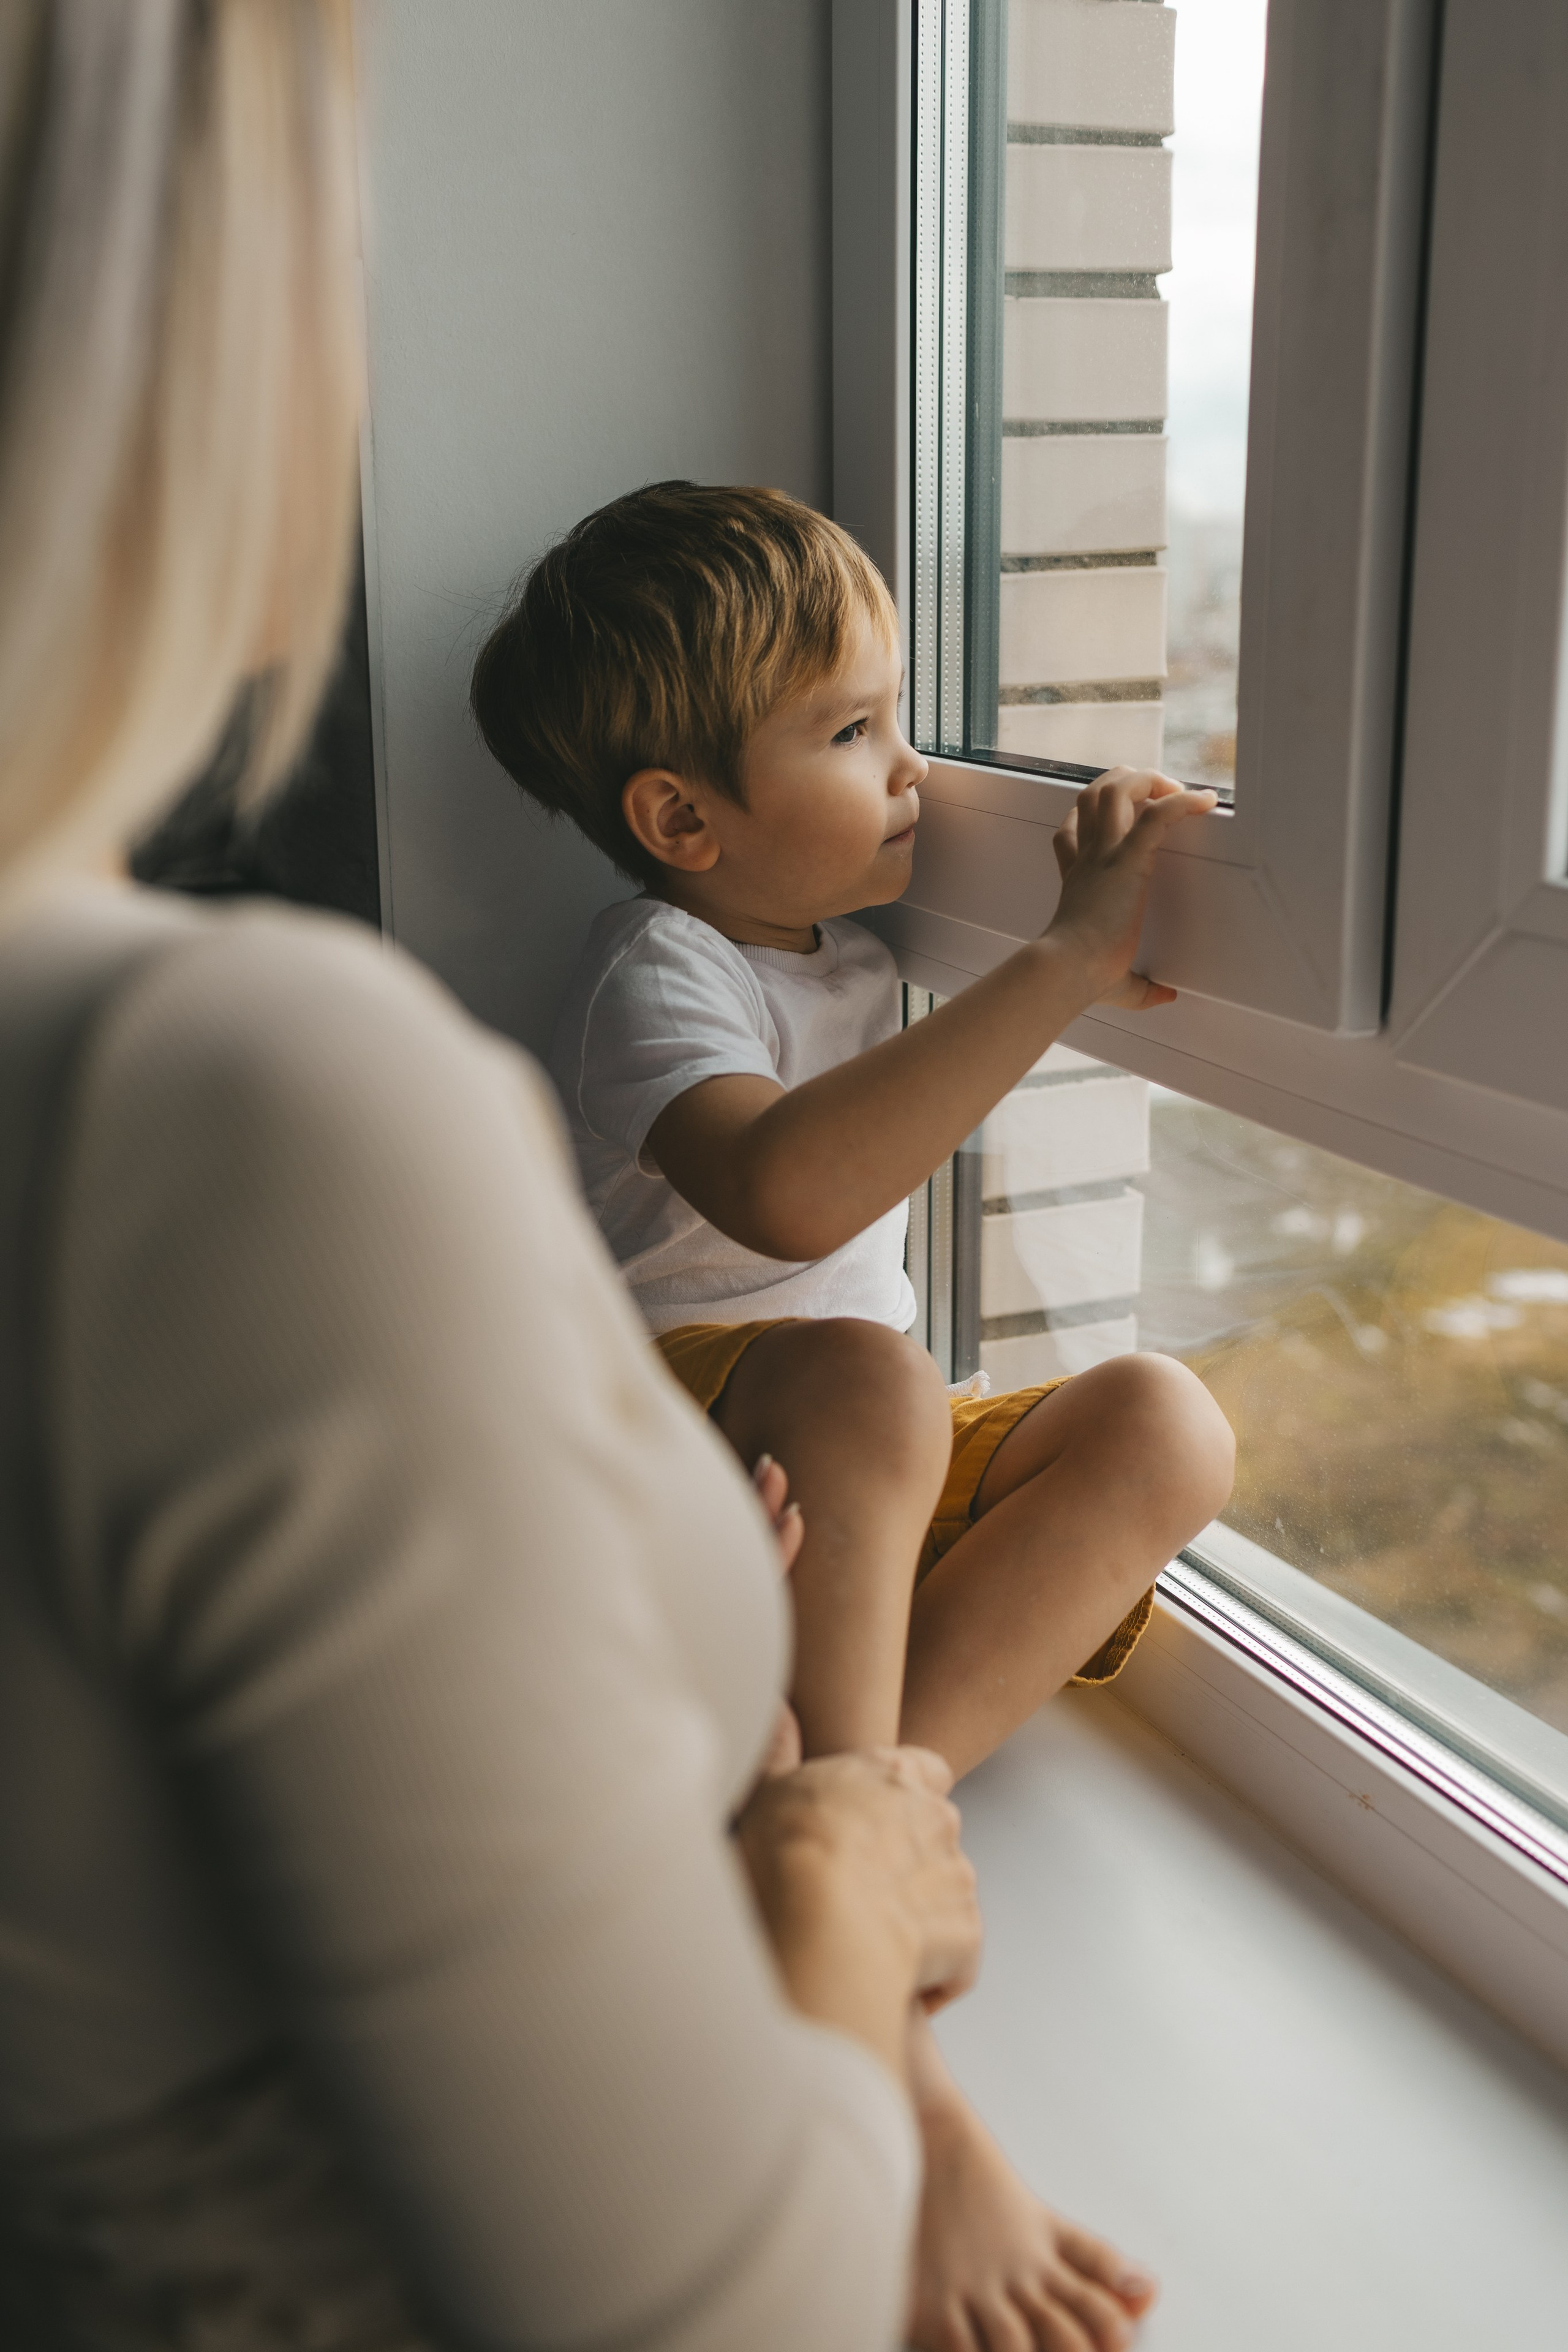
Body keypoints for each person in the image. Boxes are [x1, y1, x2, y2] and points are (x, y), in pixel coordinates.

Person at [0, 10, 1049, 2351]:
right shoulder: (212, 1100)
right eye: (328, 213)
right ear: (167, 320)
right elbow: (730, 2309)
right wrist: (842, 1887)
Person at [471, 479, 1235, 2343]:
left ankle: (841, 1835)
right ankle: (889, 2045)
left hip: (846, 1475)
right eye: (854, 732)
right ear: (684, 823)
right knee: (874, 1371)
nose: (911, 771)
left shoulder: (865, 958)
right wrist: (1061, 961)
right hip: (681, 1482)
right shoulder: (653, 971)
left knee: (1164, 1424)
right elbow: (792, 1198)